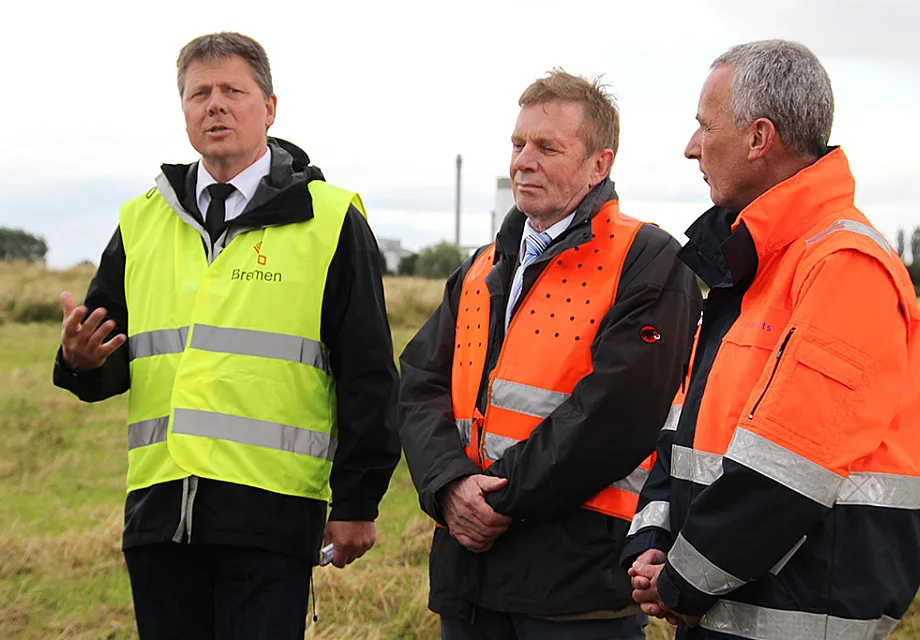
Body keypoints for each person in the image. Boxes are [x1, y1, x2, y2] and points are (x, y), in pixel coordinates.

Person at [53, 32, 400, 640]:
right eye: (199, 93)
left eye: (232, 91)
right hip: (160, 516)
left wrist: (356, 502)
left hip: (271, 514)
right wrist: (81, 362)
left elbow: (369, 372)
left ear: (269, 108)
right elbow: (113, 356)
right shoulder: (141, 221)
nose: (214, 105)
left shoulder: (331, 220)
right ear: (183, 111)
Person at [623, 40, 920, 640]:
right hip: (723, 607)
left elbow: (785, 473)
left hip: (796, 615)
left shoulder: (843, 266)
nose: (691, 149)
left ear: (759, 139)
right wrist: (654, 540)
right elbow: (684, 436)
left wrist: (682, 579)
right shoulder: (754, 266)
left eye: (704, 128)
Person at [397, 69, 702, 639]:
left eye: (547, 147)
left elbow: (615, 414)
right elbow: (419, 379)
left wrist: (495, 501)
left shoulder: (650, 260)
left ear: (599, 165)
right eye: (518, 144)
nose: (523, 161)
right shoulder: (483, 265)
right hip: (469, 581)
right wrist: (448, 485)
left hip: (577, 589)